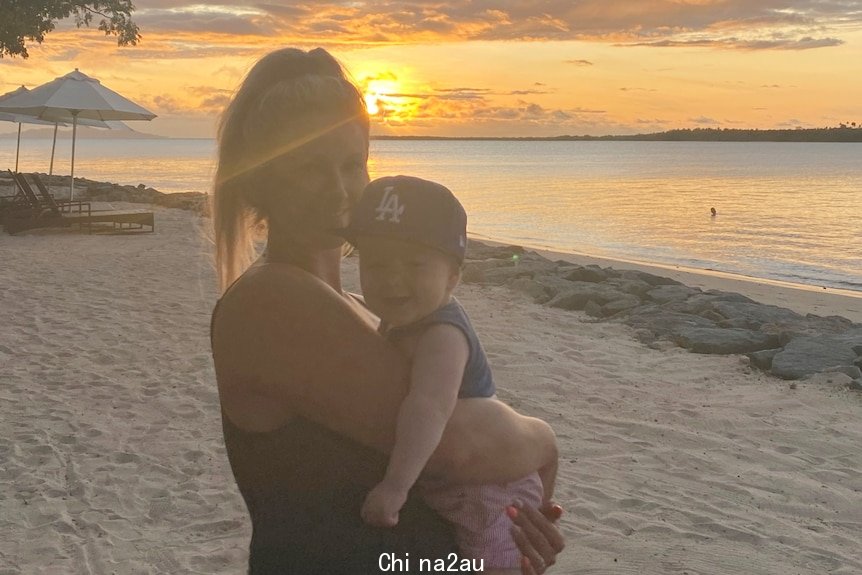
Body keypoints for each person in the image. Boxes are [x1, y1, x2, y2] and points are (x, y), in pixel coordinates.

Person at [210, 46, 565, 574]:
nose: (337, 189)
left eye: (351, 164)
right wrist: (545, 440)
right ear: (262, 178)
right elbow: (454, 448)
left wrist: (505, 524)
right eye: (308, 167)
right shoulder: (271, 302)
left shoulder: (365, 308)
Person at [345, 175, 558, 574]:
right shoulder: (408, 317)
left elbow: (429, 407)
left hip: (492, 490)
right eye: (376, 263)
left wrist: (395, 486)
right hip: (467, 481)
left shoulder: (441, 334)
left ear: (453, 277)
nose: (392, 279)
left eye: (414, 263)